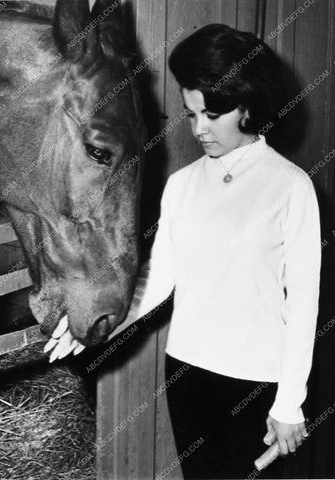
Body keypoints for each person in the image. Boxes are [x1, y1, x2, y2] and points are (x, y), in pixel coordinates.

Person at [135, 24, 321, 479]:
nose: (198, 129)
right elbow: (158, 281)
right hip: (186, 372)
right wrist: (95, 323)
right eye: (190, 113)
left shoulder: (291, 187)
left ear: (247, 106)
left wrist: (289, 403)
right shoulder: (180, 186)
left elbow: (303, 305)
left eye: (211, 115)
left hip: (256, 382)